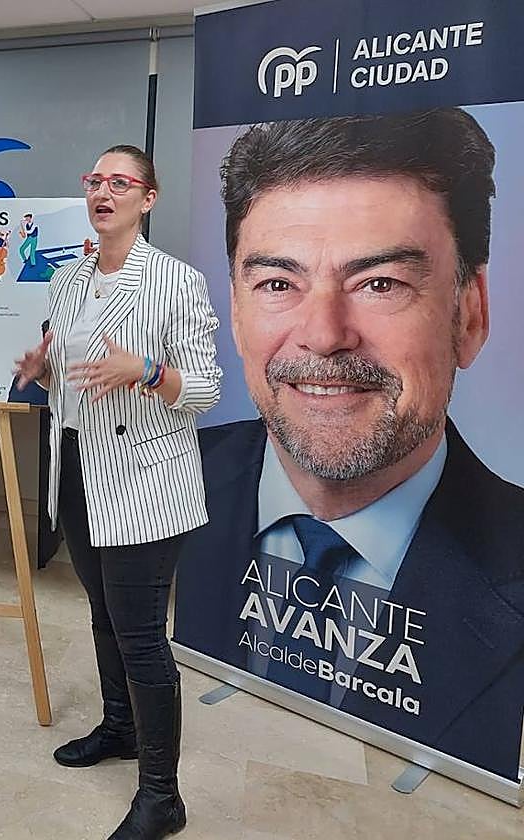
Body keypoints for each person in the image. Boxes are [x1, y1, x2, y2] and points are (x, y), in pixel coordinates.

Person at [174, 108, 524, 781]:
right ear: (236, 310)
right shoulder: (180, 481)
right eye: (279, 283)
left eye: (380, 283)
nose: (324, 334)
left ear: (469, 314)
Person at [15, 145, 222, 840]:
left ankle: (162, 796)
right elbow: (69, 377)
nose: (104, 191)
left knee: (140, 636)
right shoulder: (69, 278)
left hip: (142, 480)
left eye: (120, 182)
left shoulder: (175, 282)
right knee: (103, 616)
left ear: (148, 198)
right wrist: (43, 368)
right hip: (76, 468)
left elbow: (206, 388)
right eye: (94, 180)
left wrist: (147, 370)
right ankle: (119, 727)